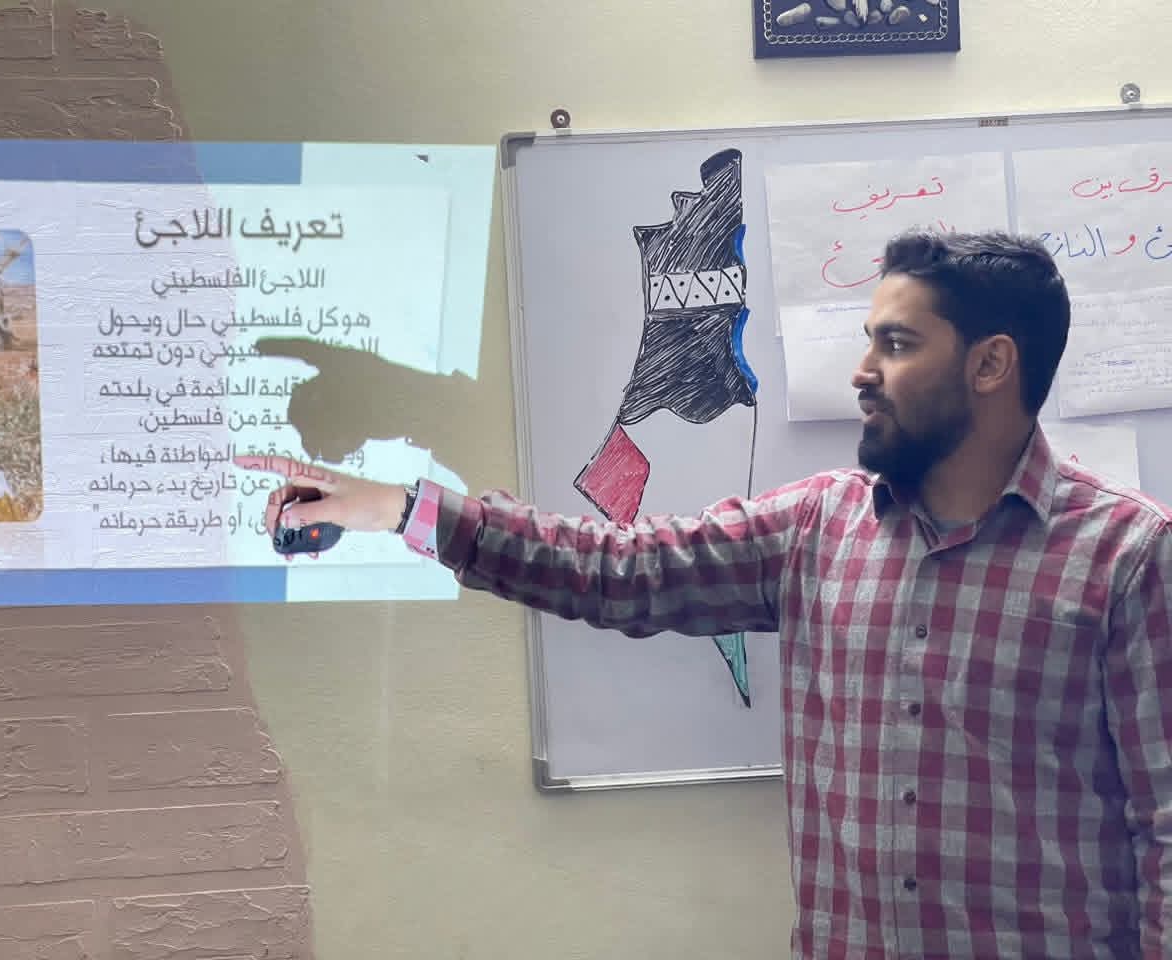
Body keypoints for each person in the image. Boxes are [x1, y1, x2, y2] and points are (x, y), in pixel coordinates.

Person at [235, 230, 1171, 959]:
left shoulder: (1127, 556)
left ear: (991, 365)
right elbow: (620, 569)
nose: (862, 371)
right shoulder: (817, 528)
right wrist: (403, 508)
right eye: (868, 341)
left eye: (896, 344)